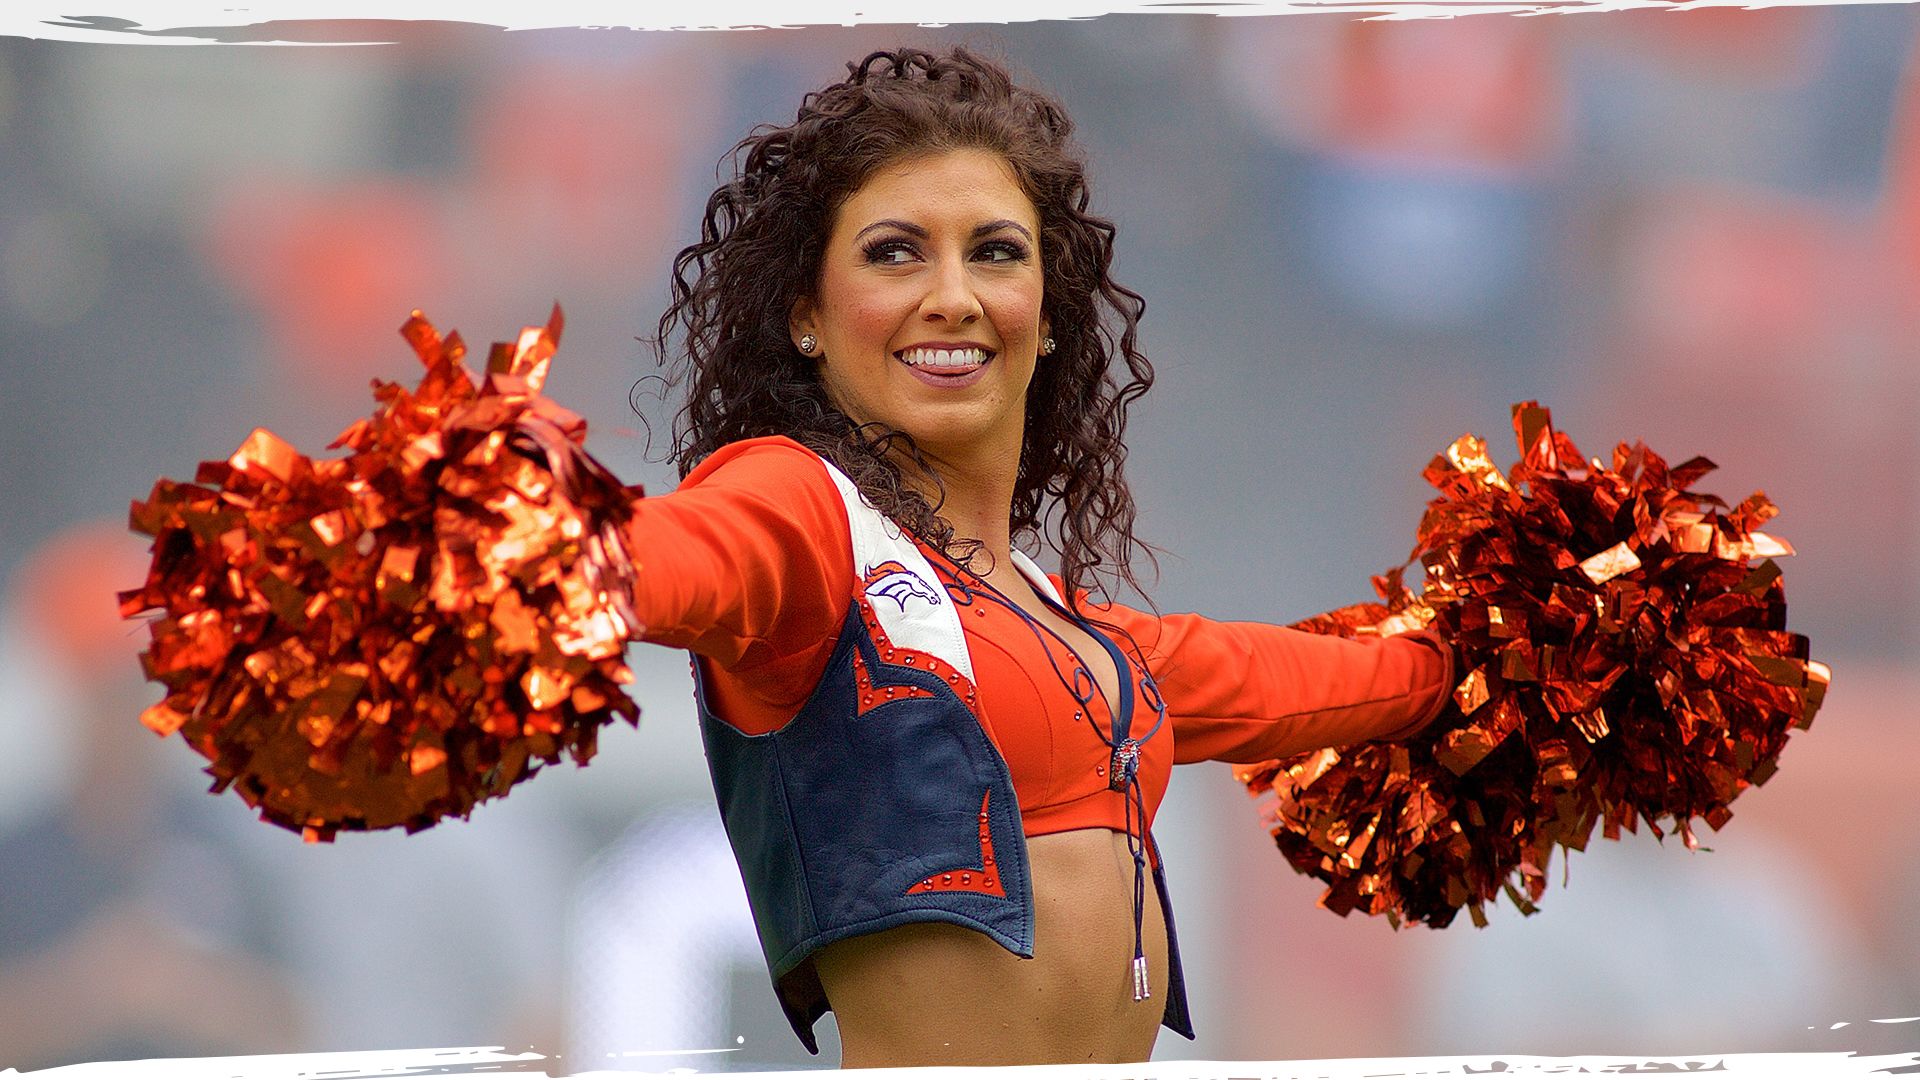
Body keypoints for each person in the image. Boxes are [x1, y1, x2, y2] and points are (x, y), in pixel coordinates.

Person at [614, 46, 1457, 1067]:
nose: (954, 296)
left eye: (997, 252)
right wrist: (534, 557)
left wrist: (1509, 657)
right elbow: (663, 558)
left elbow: (1324, 680)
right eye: (894, 253)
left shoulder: (1076, 629)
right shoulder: (802, 514)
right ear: (805, 316)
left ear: (1049, 315)